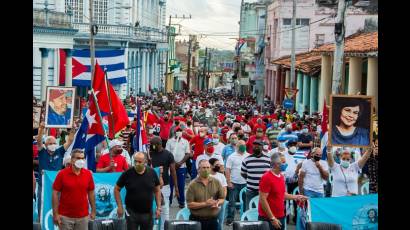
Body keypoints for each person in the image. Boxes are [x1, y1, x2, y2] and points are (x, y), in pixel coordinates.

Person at [258, 152, 308, 230]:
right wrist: (272, 218)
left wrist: (297, 197)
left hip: (280, 215)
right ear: (276, 164)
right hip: (268, 218)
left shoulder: (281, 176)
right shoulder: (266, 177)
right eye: (283, 162)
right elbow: (262, 199)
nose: (286, 164)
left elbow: (282, 194)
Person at [114, 152, 161, 230]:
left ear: (145, 162)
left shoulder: (152, 173)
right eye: (135, 161)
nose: (137, 164)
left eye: (139, 162)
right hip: (131, 213)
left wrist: (159, 207)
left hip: (147, 213)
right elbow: (116, 189)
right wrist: (119, 206)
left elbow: (157, 190)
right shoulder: (127, 173)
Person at [52, 149, 96, 230]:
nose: (81, 160)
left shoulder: (88, 174)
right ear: (72, 160)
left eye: (83, 158)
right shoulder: (61, 174)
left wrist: (93, 210)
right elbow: (55, 193)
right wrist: (55, 214)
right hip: (65, 217)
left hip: (83, 217)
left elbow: (91, 192)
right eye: (78, 158)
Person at [186, 159, 226, 230]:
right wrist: (205, 204)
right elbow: (189, 204)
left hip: (212, 220)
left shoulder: (216, 182)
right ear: (198, 169)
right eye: (204, 168)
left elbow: (222, 198)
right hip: (196, 221)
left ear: (210, 169)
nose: (206, 170)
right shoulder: (192, 185)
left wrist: (217, 203)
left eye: (208, 167)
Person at [149, 136, 179, 230]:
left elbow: (173, 171)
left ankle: (163, 228)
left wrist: (176, 188)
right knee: (153, 208)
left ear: (159, 144)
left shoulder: (168, 154)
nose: (151, 146)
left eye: (152, 145)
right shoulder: (150, 154)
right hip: (151, 186)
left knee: (164, 209)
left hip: (164, 186)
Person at [241, 140, 271, 212]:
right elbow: (243, 173)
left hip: (265, 191)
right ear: (252, 147)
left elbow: (270, 174)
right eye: (255, 145)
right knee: (250, 210)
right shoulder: (246, 159)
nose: (256, 146)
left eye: (259, 145)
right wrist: (252, 179)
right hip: (251, 190)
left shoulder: (268, 159)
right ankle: (250, 223)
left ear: (262, 147)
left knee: (264, 210)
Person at [165, 127, 191, 208]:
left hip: (181, 167)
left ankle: (181, 201)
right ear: (174, 132)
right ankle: (169, 201)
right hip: (171, 167)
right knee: (170, 185)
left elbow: (187, 154)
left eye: (180, 131)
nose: (179, 132)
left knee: (181, 185)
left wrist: (180, 163)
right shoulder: (170, 141)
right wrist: (173, 163)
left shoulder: (185, 142)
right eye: (177, 131)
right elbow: (167, 153)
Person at [225, 140, 249, 226]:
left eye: (244, 145)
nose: (243, 146)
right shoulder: (232, 156)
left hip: (245, 183)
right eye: (241, 145)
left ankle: (246, 219)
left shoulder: (248, 156)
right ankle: (230, 219)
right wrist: (229, 182)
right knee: (232, 202)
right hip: (234, 183)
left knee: (246, 202)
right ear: (237, 146)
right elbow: (227, 170)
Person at [209, 158, 228, 230]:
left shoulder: (221, 176)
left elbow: (225, 189)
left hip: (220, 202)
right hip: (209, 203)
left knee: (220, 222)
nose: (219, 166)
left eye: (219, 165)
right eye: (216, 165)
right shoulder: (205, 176)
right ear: (211, 165)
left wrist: (222, 199)